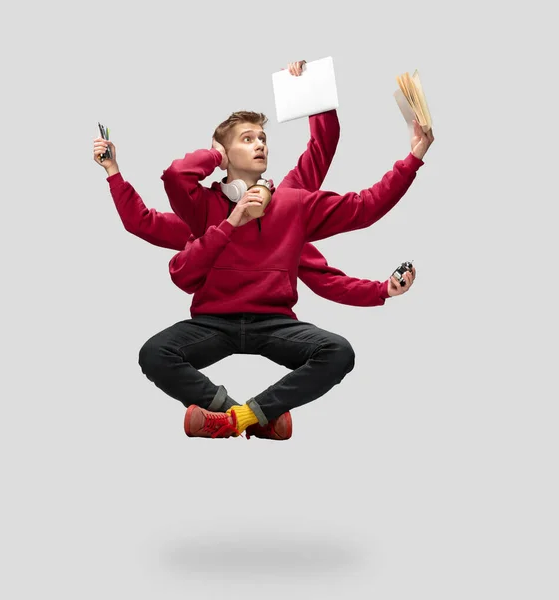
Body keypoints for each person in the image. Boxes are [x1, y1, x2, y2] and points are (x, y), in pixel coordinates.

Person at [93, 61, 422, 440]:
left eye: (262, 138)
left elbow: (359, 202)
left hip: (274, 324)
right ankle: (250, 415)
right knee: (153, 353)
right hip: (212, 323)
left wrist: (312, 91)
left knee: (339, 352)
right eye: (247, 139)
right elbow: (155, 204)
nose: (261, 144)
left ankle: (240, 418)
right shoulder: (202, 209)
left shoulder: (293, 202)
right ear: (223, 154)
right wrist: (116, 172)